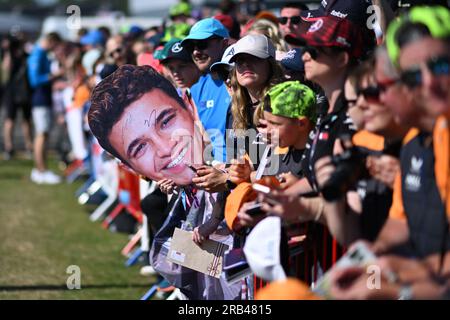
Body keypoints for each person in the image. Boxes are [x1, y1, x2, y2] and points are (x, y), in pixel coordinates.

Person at [181, 18, 231, 163]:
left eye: (202, 44)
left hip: (244, 174)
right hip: (216, 174)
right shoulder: (196, 90)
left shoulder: (242, 81)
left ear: (224, 43)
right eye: (191, 47)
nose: (196, 52)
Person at [27, 32, 63, 184]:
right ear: (50, 41)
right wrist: (53, 75)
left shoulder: (40, 53)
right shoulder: (38, 53)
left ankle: (41, 169)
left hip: (43, 98)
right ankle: (41, 170)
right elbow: (34, 80)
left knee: (44, 134)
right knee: (41, 134)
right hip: (39, 98)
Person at [2, 35, 33, 160]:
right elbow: (6, 68)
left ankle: (29, 146)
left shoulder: (26, 54)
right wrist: (8, 50)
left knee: (26, 120)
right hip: (11, 92)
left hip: (25, 91)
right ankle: (9, 147)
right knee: (10, 120)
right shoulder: (8, 55)